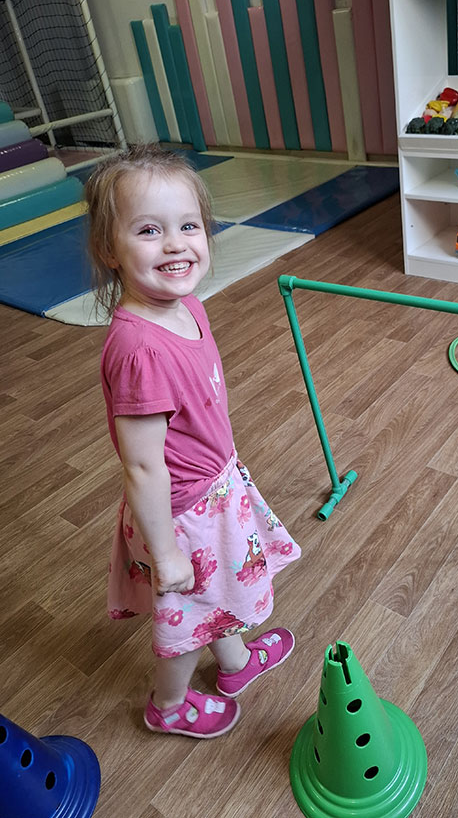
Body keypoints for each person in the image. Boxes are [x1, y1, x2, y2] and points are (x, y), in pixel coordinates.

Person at [86, 145, 300, 739]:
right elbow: (142, 467)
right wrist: (166, 553)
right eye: (149, 231)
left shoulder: (187, 307)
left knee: (216, 592)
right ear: (109, 250)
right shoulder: (140, 351)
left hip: (215, 488)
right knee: (186, 616)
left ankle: (233, 663)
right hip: (182, 516)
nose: (175, 244)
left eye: (189, 226)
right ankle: (169, 704)